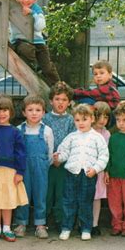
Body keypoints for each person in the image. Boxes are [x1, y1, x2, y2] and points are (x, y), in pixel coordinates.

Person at [54, 104, 109, 241]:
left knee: (85, 202)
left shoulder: (97, 137)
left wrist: (96, 169)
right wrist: (58, 157)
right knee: (68, 201)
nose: (81, 123)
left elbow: (103, 156)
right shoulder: (72, 137)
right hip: (71, 174)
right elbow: (64, 152)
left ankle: (86, 228)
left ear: (91, 119)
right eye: (77, 120)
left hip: (88, 175)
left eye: (84, 119)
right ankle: (66, 227)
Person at [0, 95, 28, 243]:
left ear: (11, 111)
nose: (1, 114)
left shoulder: (15, 132)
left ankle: (7, 228)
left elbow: (21, 153)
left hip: (10, 171)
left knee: (8, 199)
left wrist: (20, 172)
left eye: (4, 110)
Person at [14, 95, 54, 239]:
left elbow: (50, 152)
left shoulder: (47, 131)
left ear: (43, 112)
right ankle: (21, 223)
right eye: (30, 110)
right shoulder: (19, 130)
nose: (34, 113)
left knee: (40, 195)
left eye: (38, 110)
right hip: (24, 168)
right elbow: (17, 151)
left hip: (41, 168)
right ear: (24, 112)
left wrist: (43, 164)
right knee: (23, 195)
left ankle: (40, 224)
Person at [10, 0, 60, 86]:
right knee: (26, 50)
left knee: (47, 68)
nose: (26, 0)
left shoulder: (36, 9)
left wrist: (32, 13)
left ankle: (58, 85)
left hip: (38, 42)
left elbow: (40, 26)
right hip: (20, 41)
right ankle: (35, 68)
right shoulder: (14, 5)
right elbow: (4, 0)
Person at [43, 82, 76, 233]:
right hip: (48, 163)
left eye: (64, 99)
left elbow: (73, 140)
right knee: (47, 193)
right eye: (57, 99)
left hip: (64, 163)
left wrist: (61, 158)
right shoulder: (45, 118)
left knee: (62, 193)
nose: (60, 102)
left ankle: (60, 221)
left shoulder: (71, 120)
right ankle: (43, 221)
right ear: (51, 101)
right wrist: (51, 158)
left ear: (69, 102)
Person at [105, 101, 125, 237]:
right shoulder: (113, 138)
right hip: (114, 175)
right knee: (114, 202)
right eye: (118, 120)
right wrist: (107, 171)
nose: (121, 123)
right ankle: (117, 224)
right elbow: (108, 155)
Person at [91, 101, 111, 236]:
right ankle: (83, 223)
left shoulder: (106, 134)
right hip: (87, 168)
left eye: (106, 117)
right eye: (99, 116)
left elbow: (107, 153)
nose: (102, 120)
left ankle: (95, 224)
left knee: (97, 197)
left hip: (100, 170)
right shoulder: (87, 130)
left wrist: (107, 171)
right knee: (85, 197)